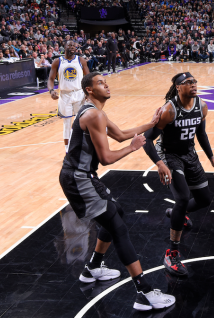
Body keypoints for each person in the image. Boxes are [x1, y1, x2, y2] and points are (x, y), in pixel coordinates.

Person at [58, 72, 175, 311]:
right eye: (100, 83)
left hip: (83, 176)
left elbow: (122, 134)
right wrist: (133, 149)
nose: (106, 85)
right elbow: (106, 157)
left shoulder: (96, 112)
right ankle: (143, 292)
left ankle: (93, 268)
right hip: (79, 178)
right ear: (90, 90)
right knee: (118, 226)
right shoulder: (92, 115)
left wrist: (153, 124)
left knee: (117, 213)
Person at [143, 72, 214, 277]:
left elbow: (201, 134)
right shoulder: (169, 110)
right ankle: (172, 253)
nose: (193, 84)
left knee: (204, 199)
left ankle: (177, 214)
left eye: (195, 81)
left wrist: (212, 160)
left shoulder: (202, 106)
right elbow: (147, 139)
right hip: (169, 155)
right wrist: (160, 164)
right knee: (181, 197)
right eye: (188, 82)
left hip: (189, 153)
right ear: (178, 87)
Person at [48, 41, 90, 147]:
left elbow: (88, 77)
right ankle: (67, 151)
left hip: (79, 94)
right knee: (66, 124)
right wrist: (51, 90)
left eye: (74, 46)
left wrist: (88, 92)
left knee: (80, 123)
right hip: (64, 95)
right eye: (69, 45)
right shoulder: (57, 61)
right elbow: (51, 79)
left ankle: (79, 146)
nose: (72, 47)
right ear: (64, 47)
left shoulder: (81, 60)